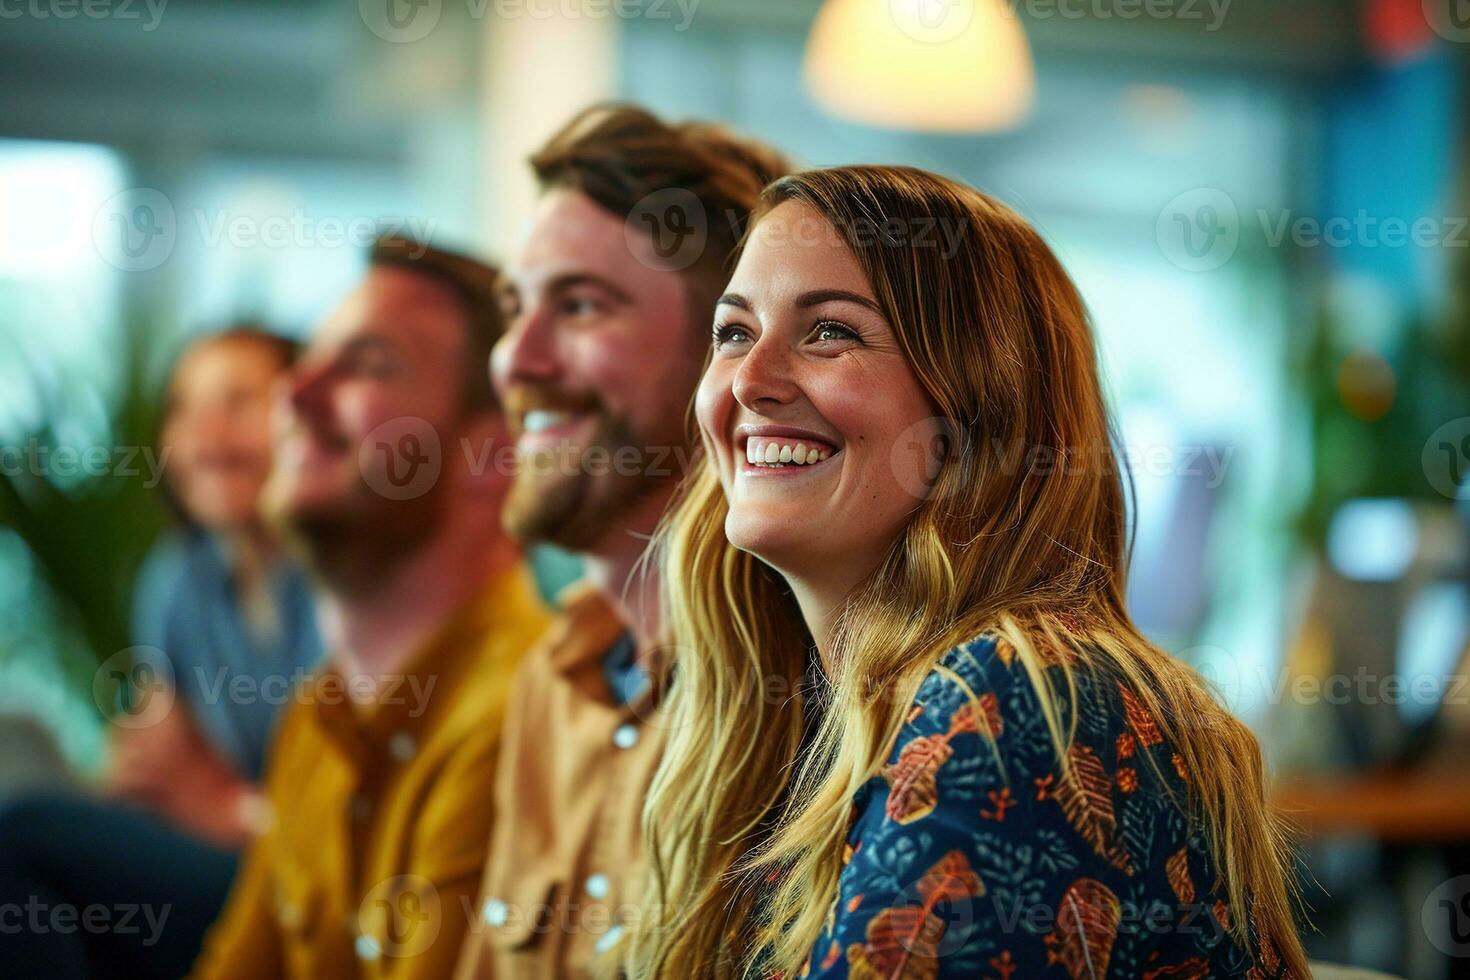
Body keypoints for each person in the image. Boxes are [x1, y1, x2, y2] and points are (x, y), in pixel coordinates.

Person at [624, 166, 1312, 978]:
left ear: (980, 407)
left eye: (830, 332)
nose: (748, 380)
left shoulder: (1026, 695)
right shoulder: (791, 720)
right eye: (734, 332)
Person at [452, 104, 790, 978]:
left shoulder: (802, 701)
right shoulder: (554, 680)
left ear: (726, 359)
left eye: (581, 306)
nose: (514, 362)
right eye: (514, 307)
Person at [190, 236, 550, 979]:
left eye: (371, 363)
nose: (293, 391)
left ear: (497, 456)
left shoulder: (524, 720)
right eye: (314, 357)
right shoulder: (318, 713)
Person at [0, 327, 321, 979]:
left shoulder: (341, 584)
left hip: (309, 881)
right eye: (184, 406)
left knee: (23, 839)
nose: (205, 430)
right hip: (220, 857)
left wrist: (228, 809)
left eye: (237, 401)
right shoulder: (178, 579)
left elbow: (353, 820)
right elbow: (156, 758)